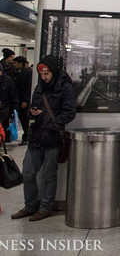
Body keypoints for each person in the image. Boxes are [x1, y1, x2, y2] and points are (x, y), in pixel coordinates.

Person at [11, 55, 76, 222]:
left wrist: (47, 117)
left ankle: (45, 207)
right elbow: (35, 105)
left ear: (53, 72)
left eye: (47, 73)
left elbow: (69, 112)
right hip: (36, 135)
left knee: (48, 174)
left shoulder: (65, 87)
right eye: (42, 73)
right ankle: (30, 205)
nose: (44, 76)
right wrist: (32, 112)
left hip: (52, 137)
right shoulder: (39, 87)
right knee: (28, 172)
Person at [13, 56, 32, 145]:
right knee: (22, 119)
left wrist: (25, 100)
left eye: (15, 63)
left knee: (24, 119)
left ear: (21, 63)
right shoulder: (20, 72)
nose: (14, 65)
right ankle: (26, 137)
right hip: (20, 99)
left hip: (24, 100)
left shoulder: (27, 73)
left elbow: (27, 88)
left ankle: (27, 137)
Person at [0, 62, 18, 135]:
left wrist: (14, 109)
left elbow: (13, 95)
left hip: (5, 108)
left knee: (3, 125)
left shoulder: (8, 80)